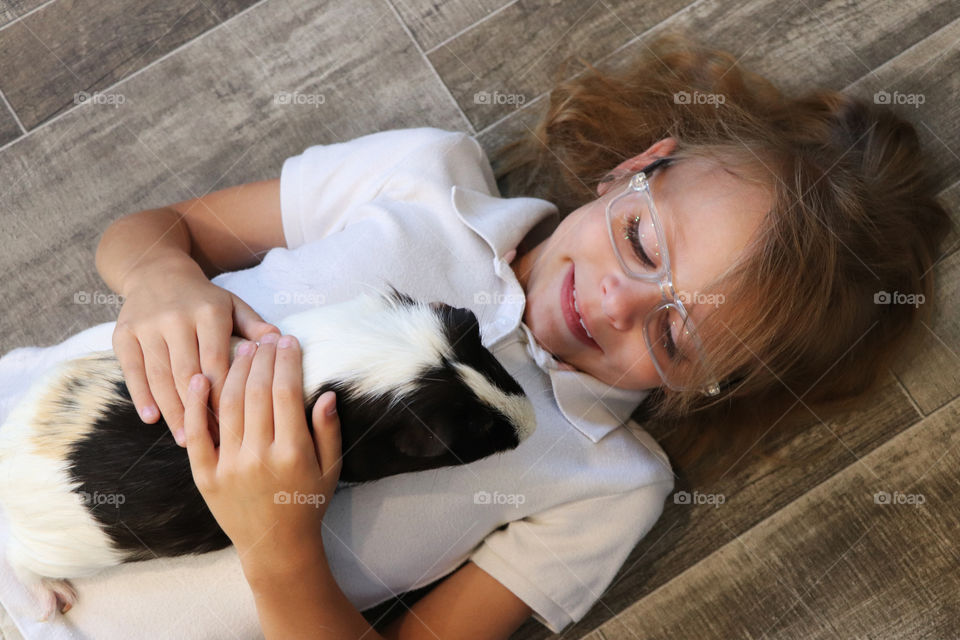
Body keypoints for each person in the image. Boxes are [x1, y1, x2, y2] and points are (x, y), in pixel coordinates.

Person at [68, 33, 953, 639]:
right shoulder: (421, 178)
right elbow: (155, 230)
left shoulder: (608, 484)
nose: (612, 306)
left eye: (676, 337)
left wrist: (278, 545)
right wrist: (161, 279)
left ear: (713, 387)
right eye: (641, 242)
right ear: (635, 166)